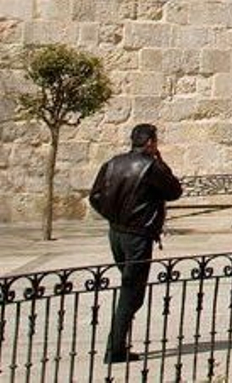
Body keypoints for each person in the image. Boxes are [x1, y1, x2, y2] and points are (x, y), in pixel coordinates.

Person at [89, 124, 183, 364]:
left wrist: (113, 216)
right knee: (132, 292)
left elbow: (95, 197)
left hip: (116, 234)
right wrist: (160, 161)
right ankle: (115, 349)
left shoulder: (112, 163)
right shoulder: (150, 167)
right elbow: (174, 190)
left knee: (129, 286)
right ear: (150, 142)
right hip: (138, 237)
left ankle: (118, 344)